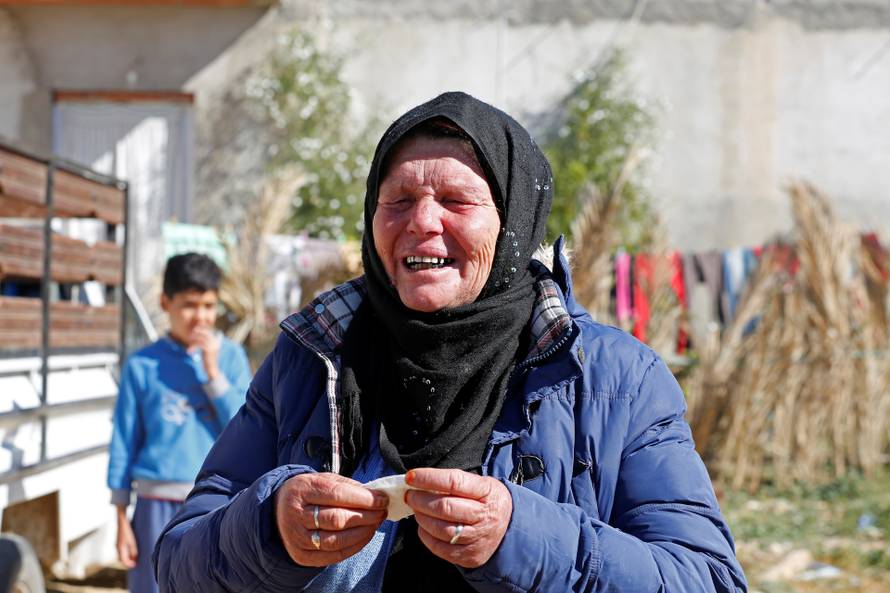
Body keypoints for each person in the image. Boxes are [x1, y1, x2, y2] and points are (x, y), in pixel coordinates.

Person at [154, 92, 747, 592]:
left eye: (457, 201)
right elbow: (179, 561)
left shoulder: (615, 377)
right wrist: (270, 528)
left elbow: (708, 579)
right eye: (398, 200)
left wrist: (520, 537)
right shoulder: (311, 356)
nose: (422, 222)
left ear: (513, 221)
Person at [107, 252, 251, 593]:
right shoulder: (142, 365)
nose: (200, 317)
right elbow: (124, 441)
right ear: (165, 303)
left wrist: (213, 375)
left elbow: (247, 431)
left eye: (208, 306)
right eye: (189, 305)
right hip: (154, 506)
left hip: (217, 504)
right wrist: (121, 519)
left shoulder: (231, 359)